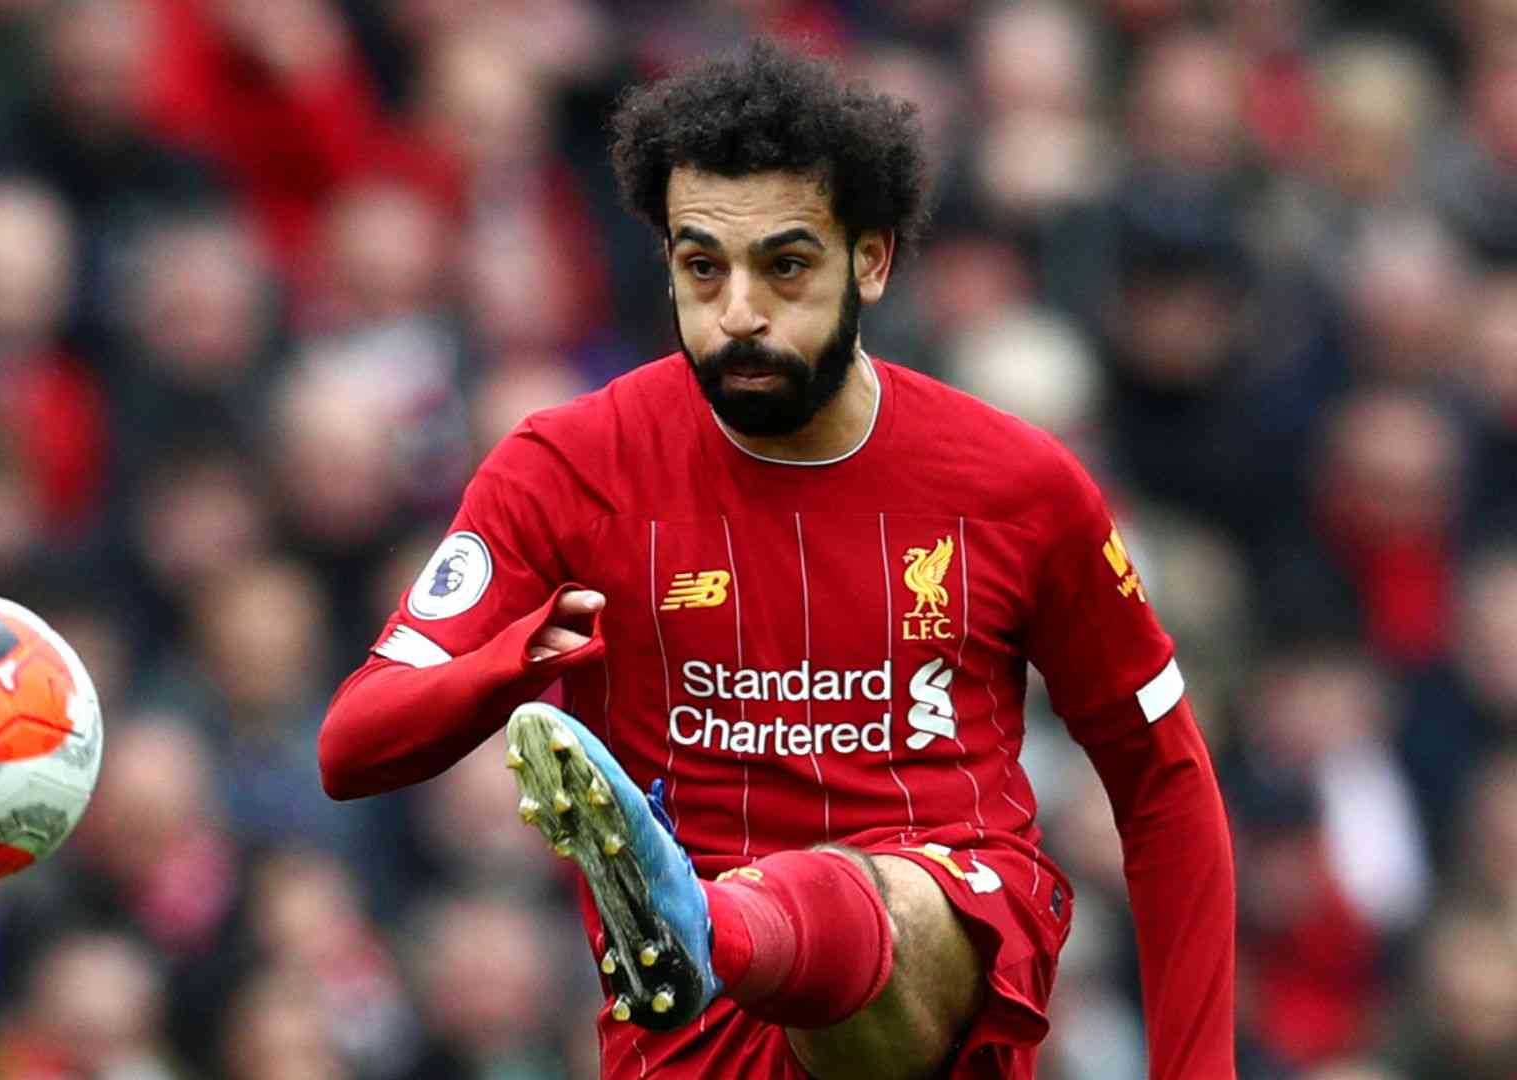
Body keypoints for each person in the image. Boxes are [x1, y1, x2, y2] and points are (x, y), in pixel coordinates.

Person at [318, 40, 1234, 1080]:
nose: (739, 312)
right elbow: (352, 746)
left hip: (938, 957)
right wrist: (509, 664)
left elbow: (1165, 784)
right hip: (694, 1035)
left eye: (785, 266)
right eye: (702, 267)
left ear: (871, 261)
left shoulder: (1018, 487)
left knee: (907, 898)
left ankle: (707, 922)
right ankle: (694, 926)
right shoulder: (569, 469)